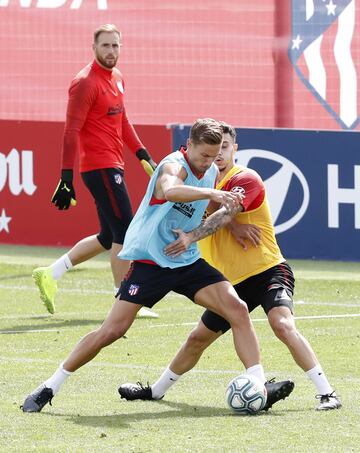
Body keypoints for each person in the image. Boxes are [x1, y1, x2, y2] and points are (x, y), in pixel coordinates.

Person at [22, 118, 292, 413]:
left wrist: (230, 225)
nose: (208, 163)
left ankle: (258, 383)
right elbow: (169, 190)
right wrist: (213, 192)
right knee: (112, 331)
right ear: (189, 145)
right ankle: (50, 385)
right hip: (150, 261)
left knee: (237, 309)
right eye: (203, 155)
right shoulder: (172, 164)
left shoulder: (212, 170)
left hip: (186, 260)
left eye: (214, 157)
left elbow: (210, 211)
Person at [118, 122, 341, 411]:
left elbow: (223, 213)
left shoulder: (245, 178)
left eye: (225, 147)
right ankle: (156, 392)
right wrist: (229, 221)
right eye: (214, 148)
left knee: (282, 324)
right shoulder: (202, 182)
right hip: (231, 282)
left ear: (235, 148)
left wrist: (193, 236)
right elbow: (202, 203)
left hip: (267, 270)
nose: (218, 154)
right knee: (197, 339)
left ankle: (327, 393)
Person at [32, 24, 158, 318]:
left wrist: (141, 153)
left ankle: (51, 273)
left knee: (108, 235)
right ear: (94, 48)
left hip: (115, 163)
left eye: (115, 46)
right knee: (125, 230)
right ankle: (124, 300)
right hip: (98, 166)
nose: (111, 51)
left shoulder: (117, 78)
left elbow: (123, 120)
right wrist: (66, 178)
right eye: (105, 46)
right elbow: (70, 132)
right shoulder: (85, 83)